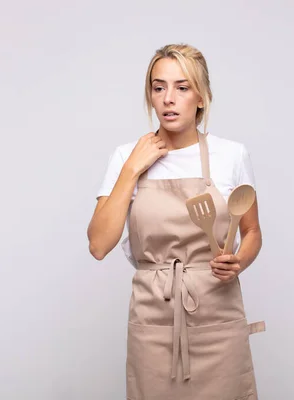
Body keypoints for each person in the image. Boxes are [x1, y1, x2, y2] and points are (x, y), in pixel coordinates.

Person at [87, 43, 265, 399]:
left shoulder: (231, 155)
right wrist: (131, 170)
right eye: (158, 87)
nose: (168, 98)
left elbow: (251, 232)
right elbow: (99, 244)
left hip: (216, 312)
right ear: (150, 95)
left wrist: (239, 261)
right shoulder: (127, 156)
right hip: (153, 316)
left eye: (182, 87)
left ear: (201, 97)